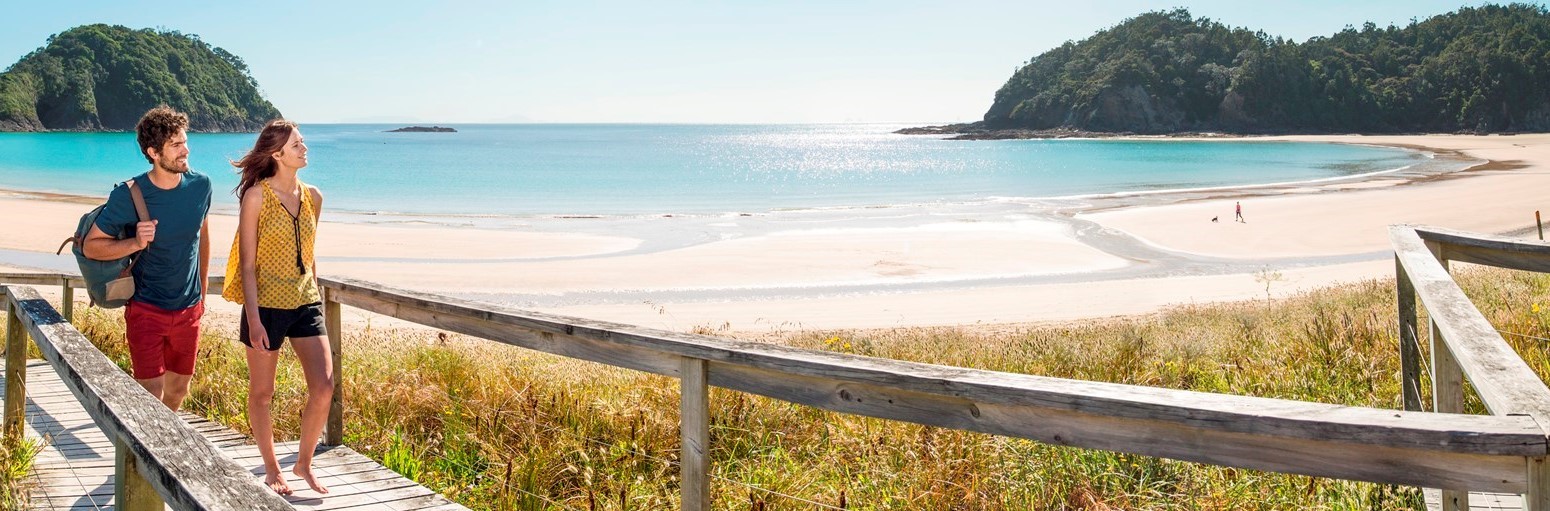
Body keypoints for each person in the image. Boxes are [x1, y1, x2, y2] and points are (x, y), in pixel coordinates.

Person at [222, 120, 333, 495]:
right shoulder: (256, 196)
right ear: (276, 154)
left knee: (324, 386)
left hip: (306, 302)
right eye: (297, 145)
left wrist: (314, 290)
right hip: (266, 307)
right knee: (263, 393)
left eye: (303, 143)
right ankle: (272, 468)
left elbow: (310, 252)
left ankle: (303, 463)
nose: (305, 149)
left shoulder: (314, 196)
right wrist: (253, 320)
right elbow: (248, 265)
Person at [83, 105, 211, 411]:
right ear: (154, 152)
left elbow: (202, 237)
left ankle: (165, 451)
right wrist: (135, 241)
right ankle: (147, 457)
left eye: (185, 141)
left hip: (189, 309)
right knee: (150, 395)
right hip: (146, 309)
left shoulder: (201, 186)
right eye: (176, 145)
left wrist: (202, 294)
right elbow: (91, 246)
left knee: (178, 390)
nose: (186, 151)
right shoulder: (129, 194)